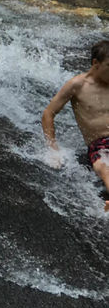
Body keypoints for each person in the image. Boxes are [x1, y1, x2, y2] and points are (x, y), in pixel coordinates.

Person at [42, 40, 109, 212]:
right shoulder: (77, 85)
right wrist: (52, 148)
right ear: (96, 63)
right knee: (103, 165)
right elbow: (48, 113)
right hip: (100, 143)